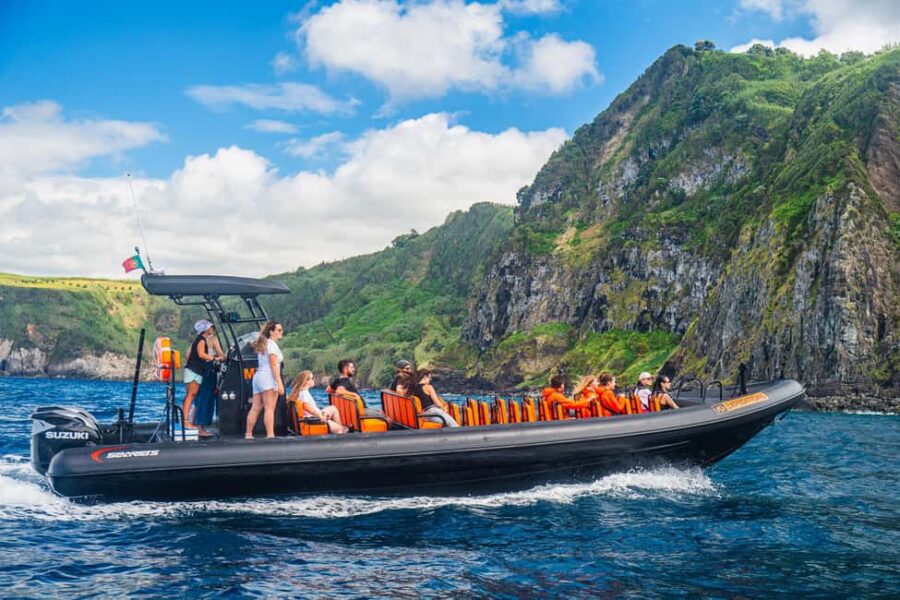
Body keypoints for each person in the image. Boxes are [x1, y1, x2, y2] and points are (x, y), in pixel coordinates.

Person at [182, 319, 225, 438]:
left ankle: (190, 422)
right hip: (206, 372)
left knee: (196, 398)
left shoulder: (196, 341)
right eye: (211, 327)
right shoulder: (209, 340)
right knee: (203, 399)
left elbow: (187, 356)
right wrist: (216, 358)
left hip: (196, 371)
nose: (213, 329)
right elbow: (221, 355)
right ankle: (198, 427)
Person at [245, 320, 285, 439]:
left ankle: (248, 434)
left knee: (256, 407)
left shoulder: (264, 343)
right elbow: (273, 365)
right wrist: (279, 383)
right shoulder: (271, 345)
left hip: (258, 377)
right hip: (268, 377)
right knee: (269, 407)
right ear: (271, 331)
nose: (281, 332)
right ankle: (270, 435)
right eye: (278, 330)